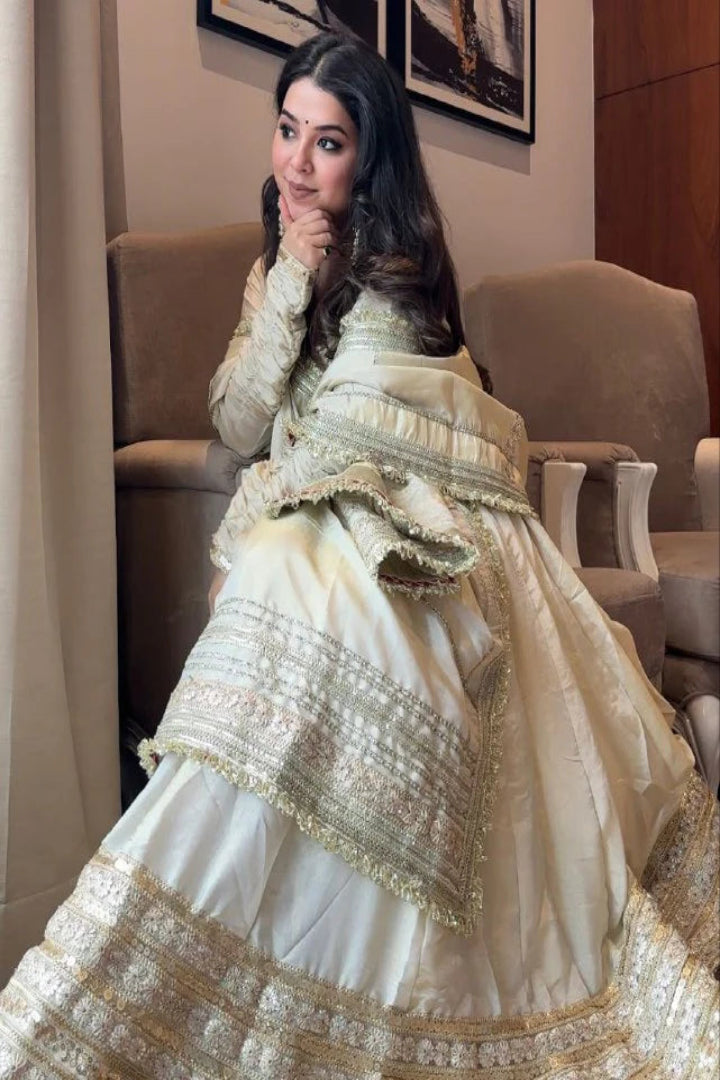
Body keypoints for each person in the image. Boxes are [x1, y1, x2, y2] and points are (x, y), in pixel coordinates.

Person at [0, 31, 717, 1080]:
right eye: (287, 130)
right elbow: (240, 417)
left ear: (367, 155)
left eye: (326, 141)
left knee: (408, 617)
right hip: (314, 493)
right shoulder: (275, 266)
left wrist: (379, 463)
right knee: (286, 588)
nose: (297, 160)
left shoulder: (408, 272)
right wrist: (290, 278)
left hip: (421, 502)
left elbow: (448, 409)